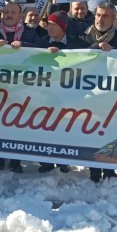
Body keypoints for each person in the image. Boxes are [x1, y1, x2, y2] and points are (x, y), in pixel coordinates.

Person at [0, 2, 35, 173]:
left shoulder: (30, 34)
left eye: (13, 12)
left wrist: (25, 46)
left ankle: (15, 160)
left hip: (22, 88)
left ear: (20, 15)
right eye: (6, 12)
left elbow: (42, 50)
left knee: (18, 123)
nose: (9, 15)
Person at [78, 2, 117, 182]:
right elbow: (75, 54)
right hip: (89, 91)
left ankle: (110, 170)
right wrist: (96, 47)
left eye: (105, 16)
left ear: (113, 19)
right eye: (98, 15)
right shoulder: (83, 35)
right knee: (92, 130)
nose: (100, 19)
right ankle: (94, 170)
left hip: (114, 91)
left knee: (111, 130)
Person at [35, 11, 84, 174]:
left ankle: (63, 161)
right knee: (45, 125)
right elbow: (30, 60)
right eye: (48, 23)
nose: (49, 27)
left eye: (53, 24)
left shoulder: (76, 44)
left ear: (63, 27)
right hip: (45, 93)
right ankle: (46, 161)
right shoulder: (40, 43)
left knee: (63, 126)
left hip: (68, 94)